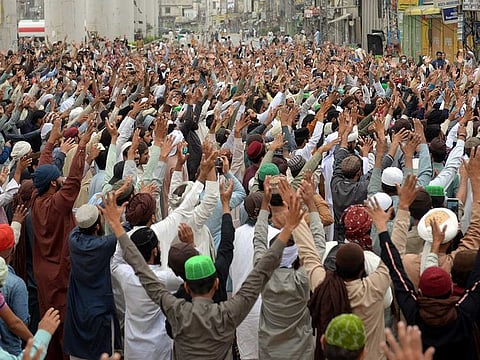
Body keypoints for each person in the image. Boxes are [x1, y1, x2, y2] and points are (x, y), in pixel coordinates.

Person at [99, 186, 306, 359]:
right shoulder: (228, 313)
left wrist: (117, 226)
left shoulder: (176, 309)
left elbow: (142, 270)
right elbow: (262, 270)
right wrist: (288, 228)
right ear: (217, 284)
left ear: (186, 287)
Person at [30, 118, 95, 360]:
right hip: (60, 273)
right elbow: (75, 182)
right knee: (63, 325)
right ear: (53, 184)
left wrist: (51, 143)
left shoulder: (36, 199)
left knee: (49, 318)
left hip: (42, 272)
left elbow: (43, 168)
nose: (61, 179)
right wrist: (81, 149)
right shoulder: (57, 205)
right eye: (58, 178)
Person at [64, 204, 117, 360]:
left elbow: (81, 225)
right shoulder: (104, 245)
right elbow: (122, 232)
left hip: (77, 310)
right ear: (98, 225)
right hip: (99, 312)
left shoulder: (73, 240)